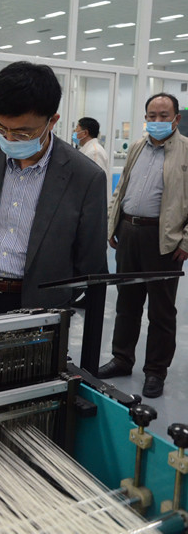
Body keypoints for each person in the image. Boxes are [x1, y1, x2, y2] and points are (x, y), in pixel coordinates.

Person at [0, 61, 108, 322]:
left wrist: (58, 300)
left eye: (23, 133)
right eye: (1, 128)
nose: (8, 139)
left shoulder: (85, 176)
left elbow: (89, 261)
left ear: (52, 121)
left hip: (38, 305)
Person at [98, 93, 188, 398]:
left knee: (161, 311)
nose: (157, 121)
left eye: (164, 116)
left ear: (176, 119)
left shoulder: (186, 151)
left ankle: (155, 371)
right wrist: (113, 223)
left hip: (163, 240)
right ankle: (122, 358)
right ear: (146, 118)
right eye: (152, 116)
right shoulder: (137, 146)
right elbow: (121, 188)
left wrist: (186, 241)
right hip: (129, 232)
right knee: (127, 303)